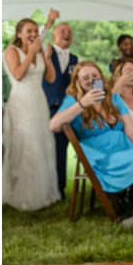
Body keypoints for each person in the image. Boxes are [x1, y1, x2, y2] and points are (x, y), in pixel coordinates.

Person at [50, 59, 133, 227]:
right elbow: (54, 125)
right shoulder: (72, 100)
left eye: (95, 75)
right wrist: (82, 104)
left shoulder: (113, 98)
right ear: (77, 82)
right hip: (101, 154)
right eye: (85, 77)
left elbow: (131, 131)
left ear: (101, 77)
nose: (91, 80)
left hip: (124, 148)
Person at [4, 15, 60, 210]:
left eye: (36, 31)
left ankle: (43, 193)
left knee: (42, 143)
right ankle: (25, 197)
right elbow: (18, 75)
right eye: (29, 31)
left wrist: (46, 58)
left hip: (39, 102)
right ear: (19, 34)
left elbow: (51, 78)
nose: (34, 34)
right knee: (27, 146)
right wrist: (31, 53)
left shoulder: (39, 50)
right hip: (21, 103)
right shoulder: (12, 51)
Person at [42, 17, 80, 191]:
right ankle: (45, 186)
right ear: (54, 36)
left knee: (61, 149)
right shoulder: (45, 52)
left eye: (69, 32)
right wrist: (48, 23)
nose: (67, 34)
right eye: (62, 31)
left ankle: (60, 187)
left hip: (66, 111)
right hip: (45, 107)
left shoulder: (76, 59)